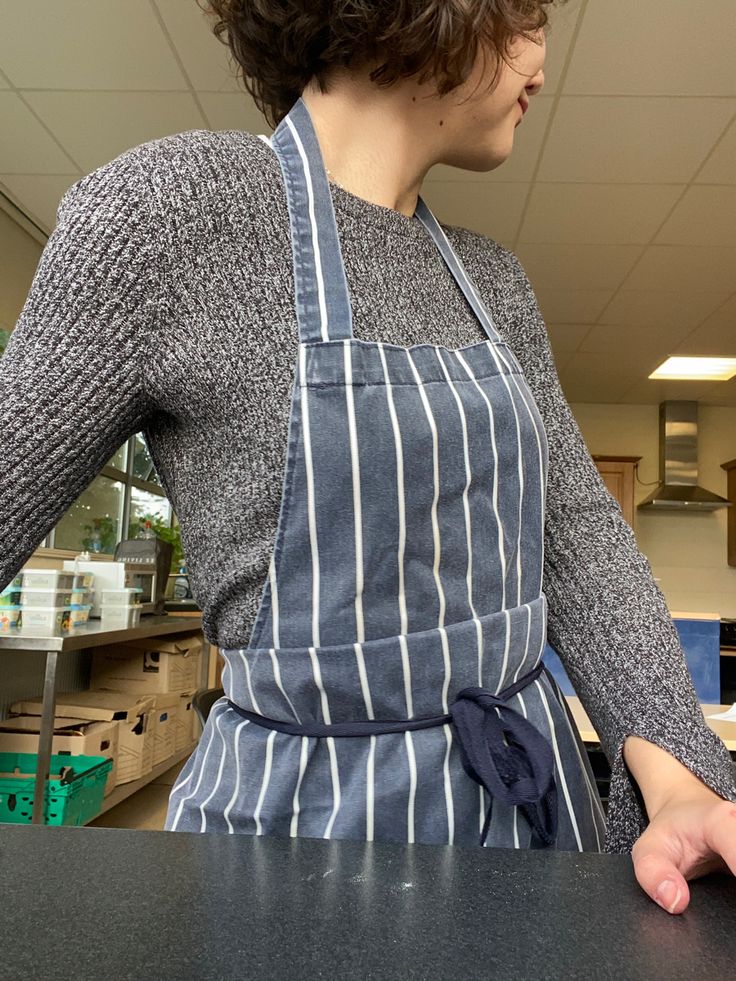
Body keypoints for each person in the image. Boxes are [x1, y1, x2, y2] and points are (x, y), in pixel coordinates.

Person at [1, 0, 734, 914]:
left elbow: (579, 540)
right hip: (299, 859)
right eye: (524, 14)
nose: (542, 63)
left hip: (533, 825)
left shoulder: (494, 282)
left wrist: (681, 780)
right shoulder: (168, 219)